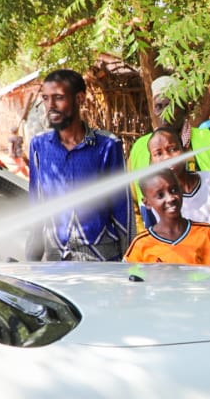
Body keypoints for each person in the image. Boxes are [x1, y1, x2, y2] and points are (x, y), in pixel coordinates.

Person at [26, 68, 132, 261]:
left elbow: (121, 209)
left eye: (58, 97)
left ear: (80, 99)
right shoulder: (39, 145)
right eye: (46, 98)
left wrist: (128, 263)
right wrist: (31, 263)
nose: (51, 105)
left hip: (100, 257)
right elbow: (36, 205)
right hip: (56, 258)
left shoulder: (107, 145)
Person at [130, 76, 210, 229]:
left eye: (171, 105)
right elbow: (134, 205)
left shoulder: (206, 138)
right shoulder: (140, 148)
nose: (166, 113)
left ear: (185, 107)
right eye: (159, 106)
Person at [124, 166, 210, 266]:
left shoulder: (207, 234)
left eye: (174, 190)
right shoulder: (141, 245)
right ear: (147, 203)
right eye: (160, 195)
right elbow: (130, 283)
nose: (171, 198)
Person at [138, 126, 210, 231]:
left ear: (184, 150)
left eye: (173, 149)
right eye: (158, 153)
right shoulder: (153, 201)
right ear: (151, 162)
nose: (167, 157)